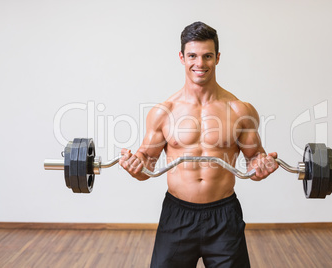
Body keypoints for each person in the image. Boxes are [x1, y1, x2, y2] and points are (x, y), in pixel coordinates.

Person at [119, 21, 278, 268]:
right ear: (182, 57)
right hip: (177, 216)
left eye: (207, 56)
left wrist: (262, 166)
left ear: (217, 58)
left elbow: (254, 160)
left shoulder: (239, 110)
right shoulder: (164, 112)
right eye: (192, 55)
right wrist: (134, 166)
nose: (200, 64)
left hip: (224, 216)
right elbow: (146, 166)